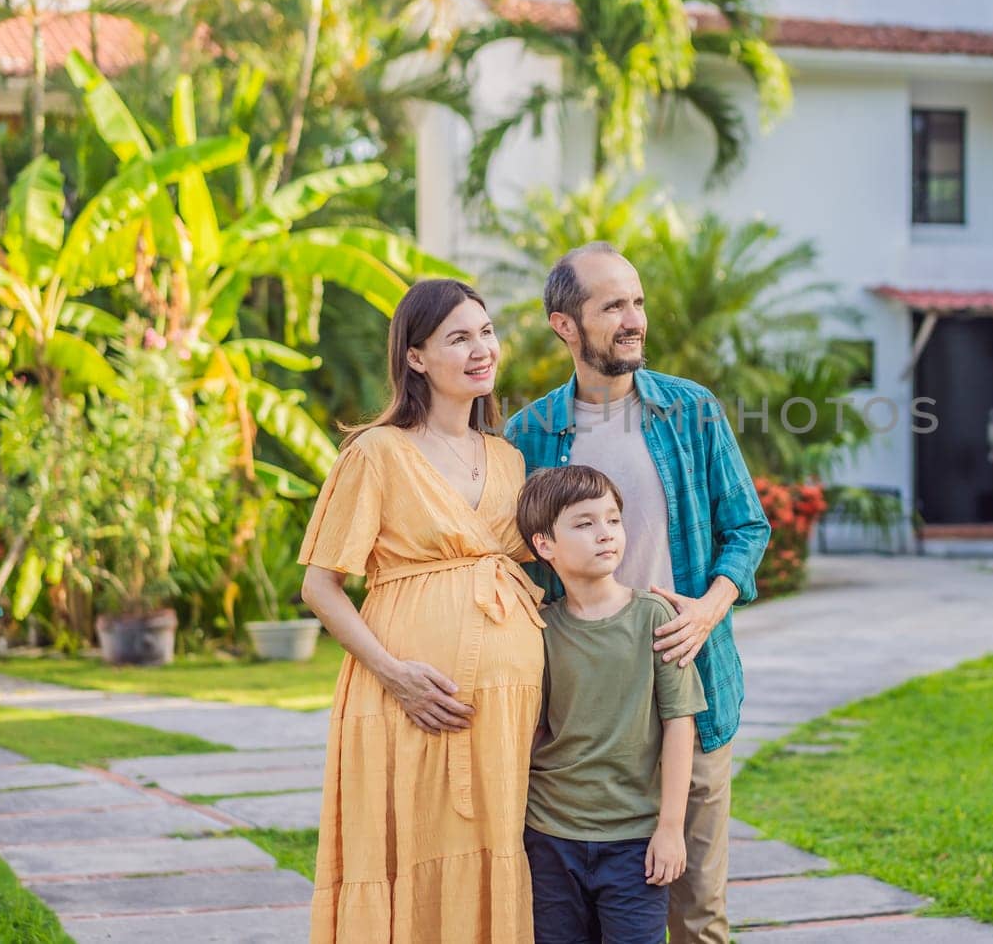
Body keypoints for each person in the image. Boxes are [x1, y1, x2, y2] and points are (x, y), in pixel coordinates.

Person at [505, 242, 771, 943]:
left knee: (699, 914)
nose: (634, 319)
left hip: (690, 691)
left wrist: (709, 608)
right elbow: (508, 563)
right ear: (565, 324)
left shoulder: (693, 410)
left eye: (639, 301)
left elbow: (746, 525)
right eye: (612, 305)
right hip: (581, 714)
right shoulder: (527, 433)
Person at [299, 279, 544, 943]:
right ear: (415, 357)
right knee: (408, 853)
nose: (481, 349)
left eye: (486, 331)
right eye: (458, 338)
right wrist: (394, 672)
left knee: (494, 849)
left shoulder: (510, 457)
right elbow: (321, 585)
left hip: (504, 710)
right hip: (405, 696)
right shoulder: (377, 452)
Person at [515, 465, 706, 944]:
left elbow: (679, 726)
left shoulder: (654, 617)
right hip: (550, 834)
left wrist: (670, 828)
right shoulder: (538, 629)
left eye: (613, 520)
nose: (606, 535)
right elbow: (530, 728)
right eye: (584, 524)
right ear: (544, 545)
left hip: (635, 841)